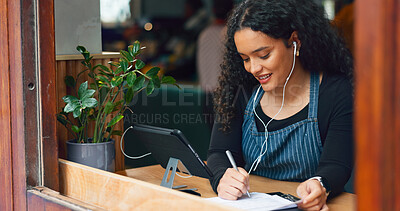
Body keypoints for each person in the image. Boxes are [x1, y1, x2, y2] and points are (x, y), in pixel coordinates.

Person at [206, 0, 354, 210]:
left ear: (294, 41)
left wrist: (320, 183)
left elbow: (337, 166)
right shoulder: (241, 90)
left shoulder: (335, 92)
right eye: (245, 58)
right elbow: (219, 152)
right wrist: (222, 177)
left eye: (264, 55)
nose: (254, 68)